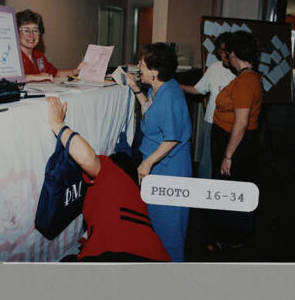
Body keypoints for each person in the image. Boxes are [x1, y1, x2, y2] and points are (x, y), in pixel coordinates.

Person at [46, 96, 171, 262]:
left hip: (117, 255)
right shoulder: (136, 197)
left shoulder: (112, 173)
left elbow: (87, 158)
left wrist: (57, 124)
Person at [125, 43, 192, 262]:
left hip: (168, 169)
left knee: (169, 230)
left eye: (142, 64)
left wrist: (147, 164)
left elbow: (172, 138)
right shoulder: (159, 88)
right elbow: (151, 111)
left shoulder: (170, 95)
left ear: (154, 71)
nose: (138, 67)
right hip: (158, 165)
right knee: (156, 224)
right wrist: (136, 89)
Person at [208, 31, 263, 251]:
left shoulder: (244, 82)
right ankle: (233, 236)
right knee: (235, 192)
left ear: (233, 54)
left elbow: (241, 123)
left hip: (234, 143)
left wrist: (227, 156)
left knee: (229, 194)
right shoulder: (251, 77)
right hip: (238, 141)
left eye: (227, 52)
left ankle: (227, 239)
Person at [180, 33, 236, 179]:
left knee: (228, 163)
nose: (224, 54)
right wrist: (176, 85)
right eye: (220, 51)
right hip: (211, 122)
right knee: (207, 161)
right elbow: (198, 90)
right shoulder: (214, 68)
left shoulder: (240, 71)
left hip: (232, 124)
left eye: (226, 50)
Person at [16, 9, 84, 83]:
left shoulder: (38, 55)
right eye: (26, 30)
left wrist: (74, 71)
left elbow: (55, 73)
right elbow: (8, 79)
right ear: (16, 32)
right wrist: (33, 77)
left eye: (35, 30)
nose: (31, 35)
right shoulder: (12, 57)